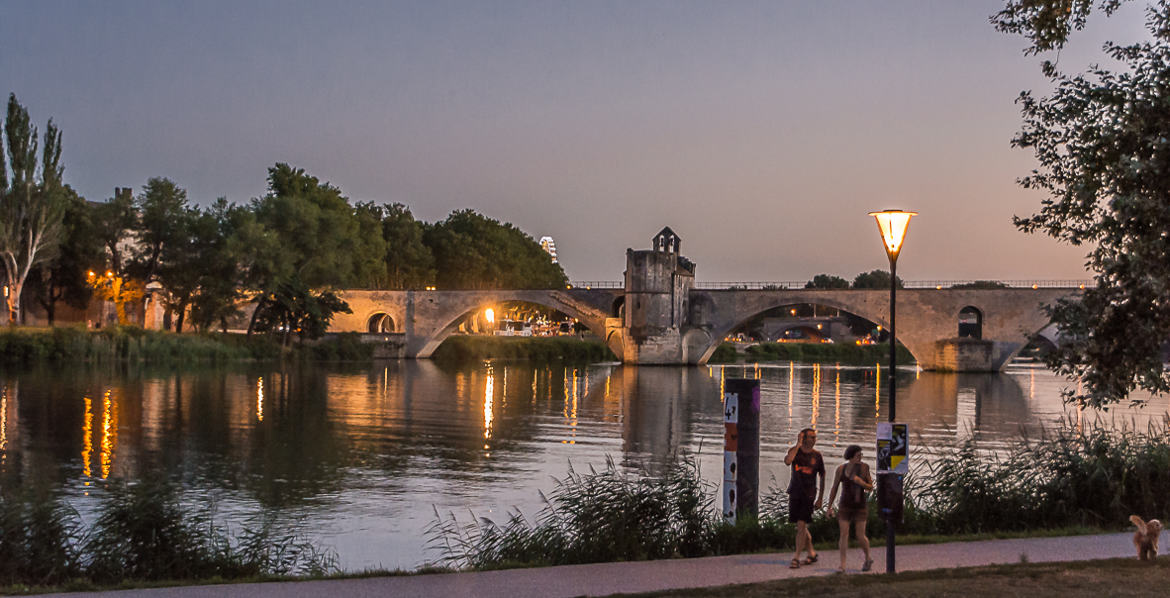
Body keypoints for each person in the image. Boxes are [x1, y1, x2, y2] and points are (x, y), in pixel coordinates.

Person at [826, 444, 875, 573]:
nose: (860, 458)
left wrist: (862, 483)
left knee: (860, 535)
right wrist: (829, 506)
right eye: (858, 455)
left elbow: (870, 487)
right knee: (843, 534)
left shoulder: (864, 468)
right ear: (851, 457)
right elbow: (834, 487)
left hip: (860, 506)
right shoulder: (841, 469)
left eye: (861, 455)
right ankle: (842, 565)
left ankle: (868, 557)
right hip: (845, 505)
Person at [784, 427, 825, 569]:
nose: (814, 440)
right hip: (795, 492)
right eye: (811, 437)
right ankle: (811, 553)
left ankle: (796, 557)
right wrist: (798, 444)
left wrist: (820, 498)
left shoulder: (817, 456)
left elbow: (822, 476)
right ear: (804, 438)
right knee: (800, 525)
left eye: (815, 437)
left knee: (801, 525)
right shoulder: (795, 453)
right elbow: (788, 461)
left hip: (809, 494)